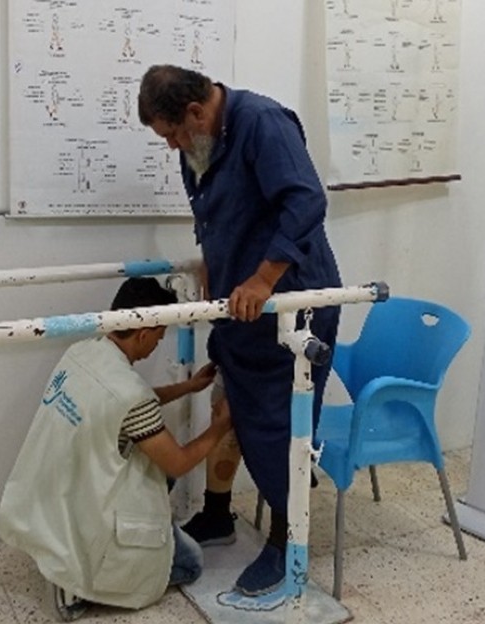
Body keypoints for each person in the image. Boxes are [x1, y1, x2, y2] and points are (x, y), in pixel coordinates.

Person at [138, 64, 342, 596]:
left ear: (195, 112)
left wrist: (263, 277)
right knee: (229, 406)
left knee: (280, 427)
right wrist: (213, 261)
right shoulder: (200, 144)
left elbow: (305, 203)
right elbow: (214, 211)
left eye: (172, 133)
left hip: (291, 299)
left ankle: (286, 543)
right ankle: (219, 514)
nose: (172, 146)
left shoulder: (262, 123)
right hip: (239, 304)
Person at [0, 277, 231, 620]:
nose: (156, 346)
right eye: (159, 337)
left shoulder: (83, 352)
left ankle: (72, 559)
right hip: (90, 505)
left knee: (155, 479)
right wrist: (220, 425)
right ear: (144, 332)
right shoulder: (130, 395)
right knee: (190, 564)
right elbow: (177, 462)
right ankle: (78, 583)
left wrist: (189, 387)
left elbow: (131, 402)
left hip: (60, 487)